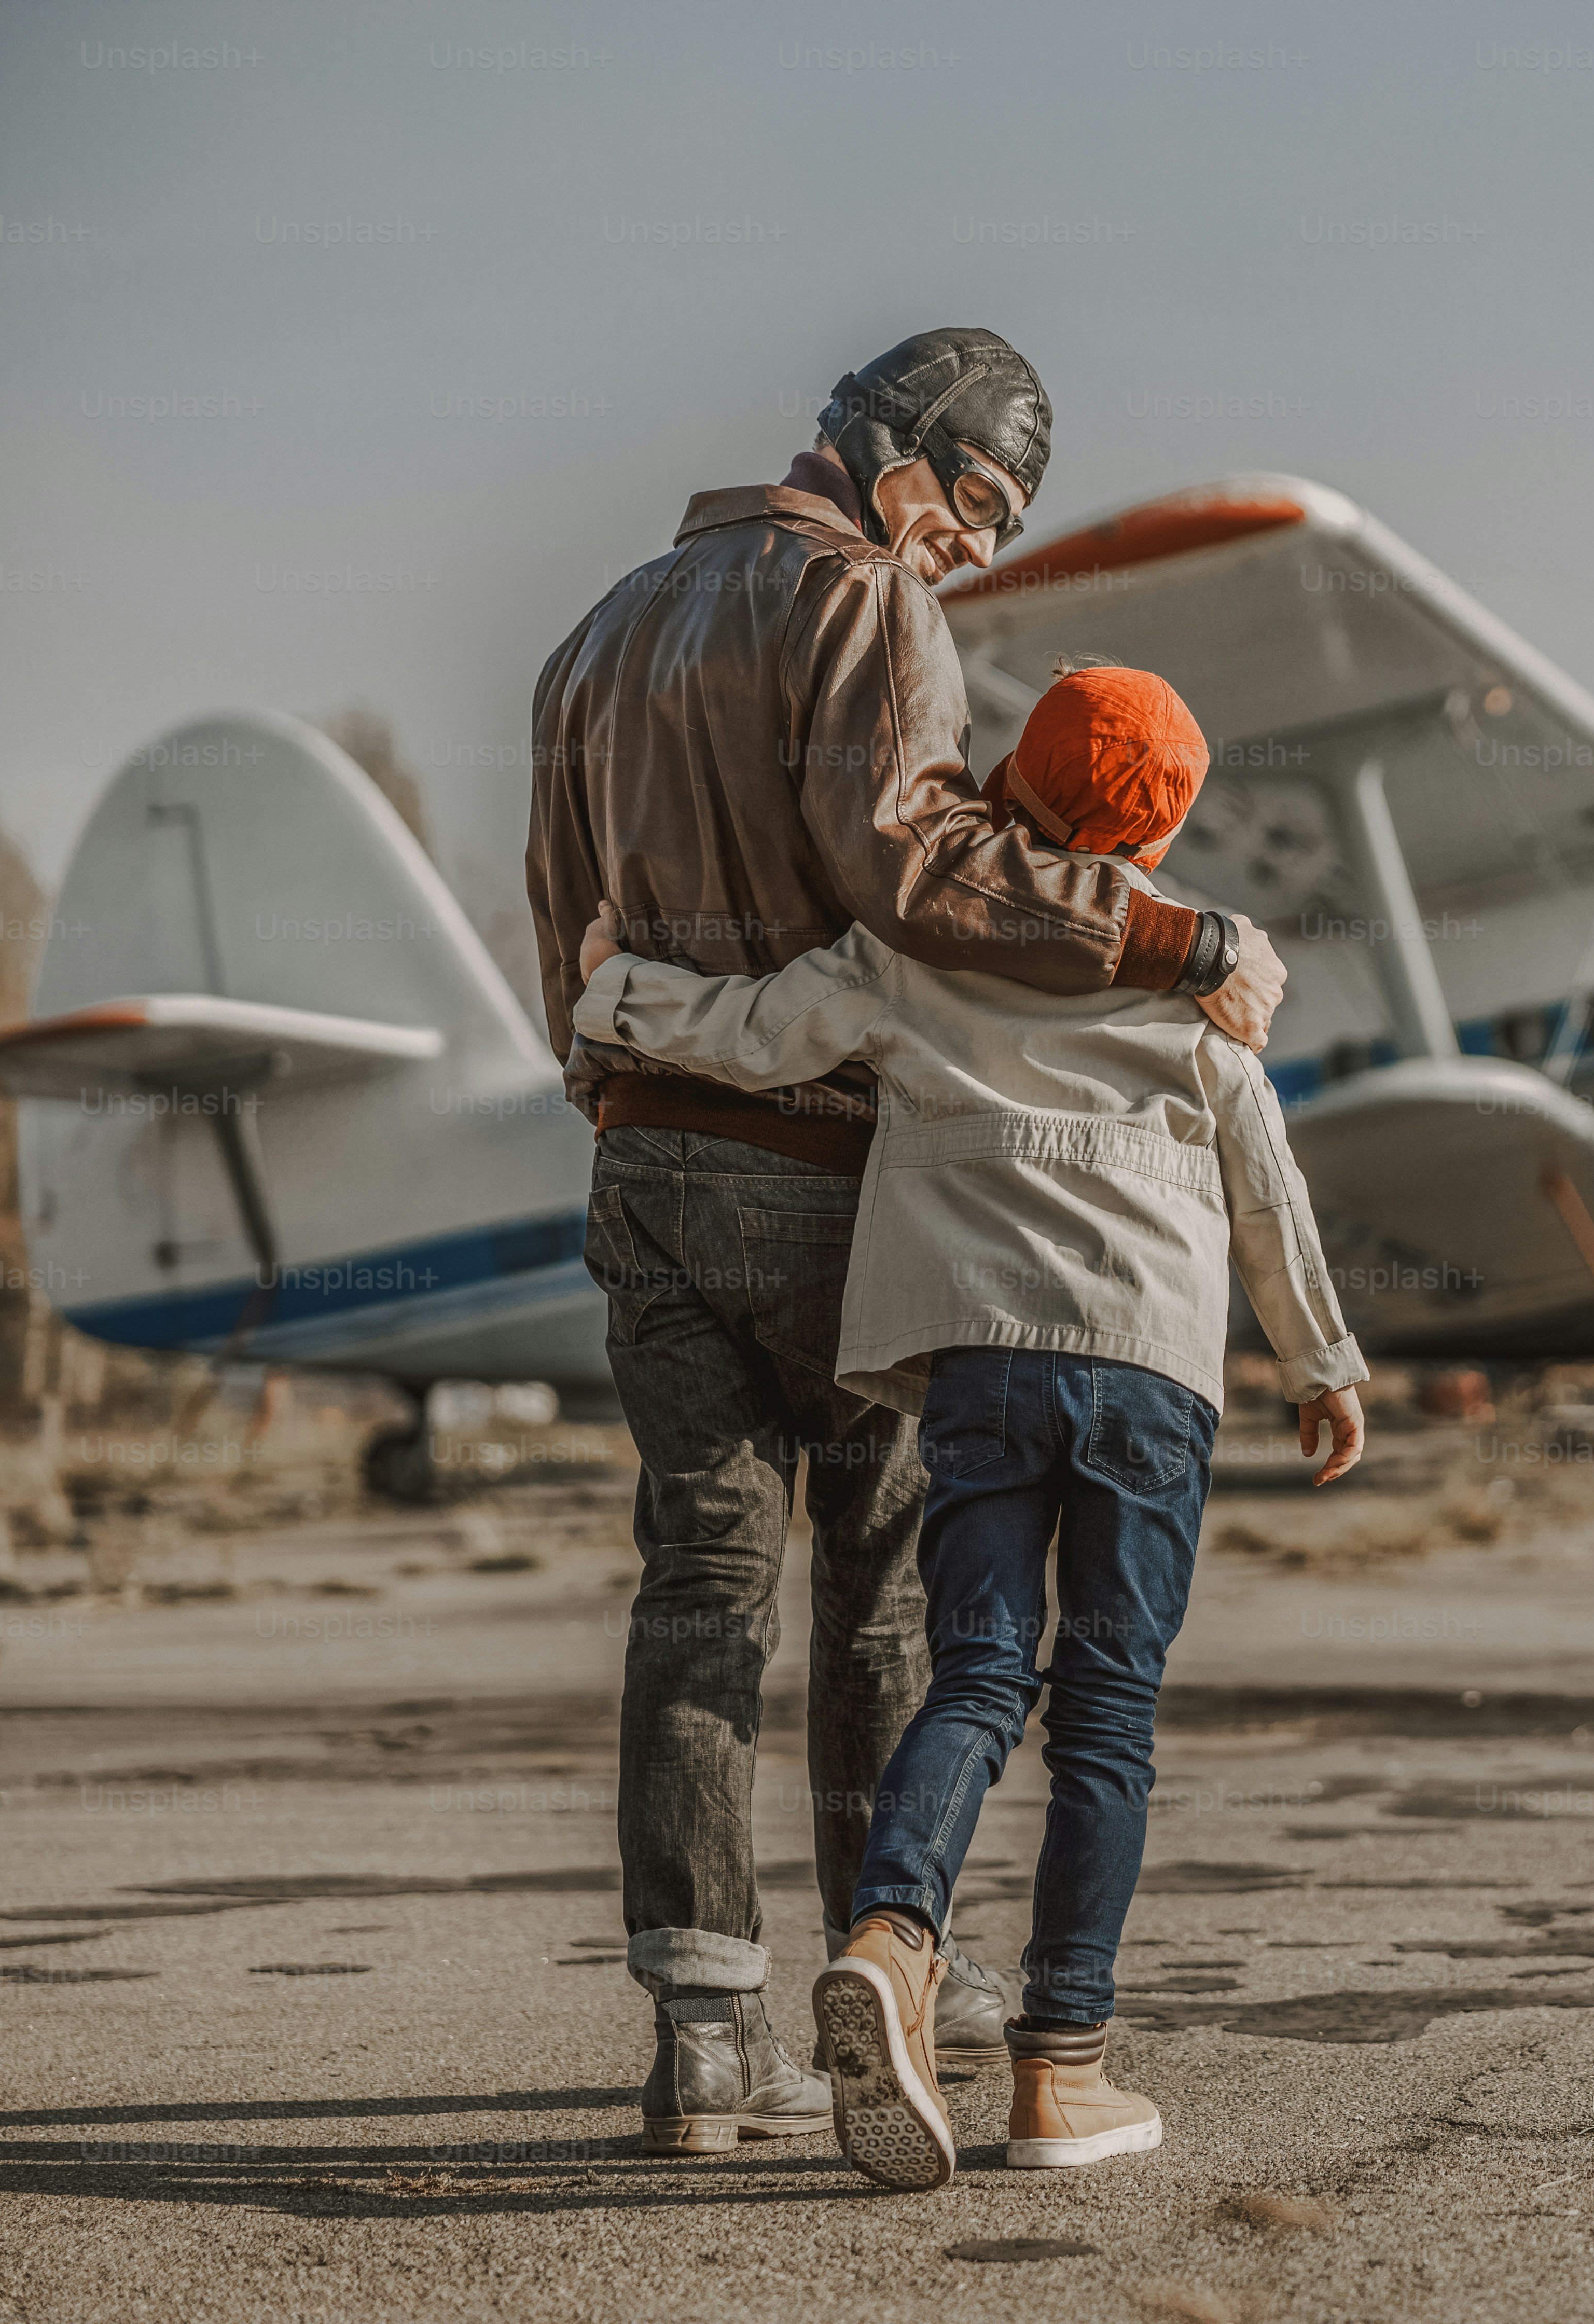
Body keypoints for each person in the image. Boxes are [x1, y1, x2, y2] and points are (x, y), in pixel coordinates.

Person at [525, 327, 1292, 2157]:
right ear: (893, 458)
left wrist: (623, 1098)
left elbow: (564, 935)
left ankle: (702, 2044)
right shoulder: (855, 595)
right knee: (878, 1602)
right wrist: (1173, 939)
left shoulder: (597, 631)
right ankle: (893, 1992)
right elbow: (909, 867)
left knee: (699, 1593)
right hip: (823, 1174)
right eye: (972, 502)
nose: (968, 549)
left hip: (645, 1164)